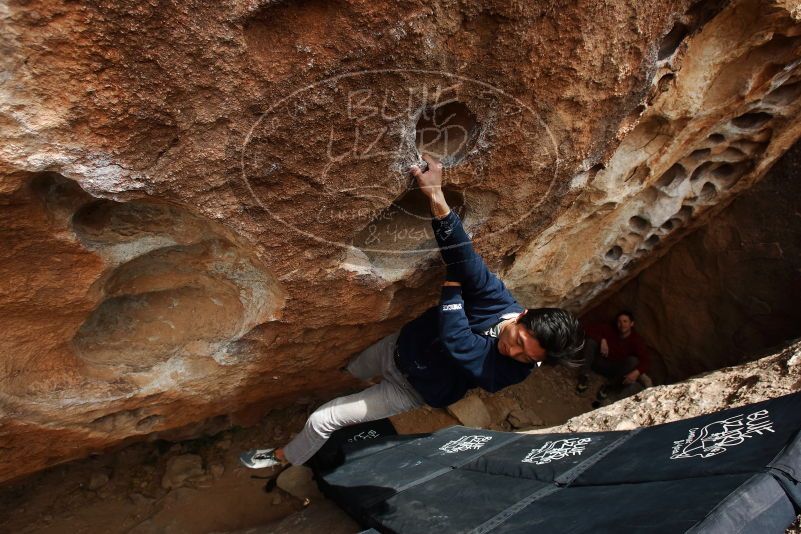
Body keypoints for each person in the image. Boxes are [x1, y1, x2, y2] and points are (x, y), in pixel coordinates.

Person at [240, 154, 585, 469]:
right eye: (519, 342)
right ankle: (339, 394)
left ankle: (283, 456)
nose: (514, 352)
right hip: (397, 347)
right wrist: (435, 195)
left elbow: (458, 341)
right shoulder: (497, 301)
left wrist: (452, 292)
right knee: (353, 368)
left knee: (322, 420)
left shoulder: (512, 371)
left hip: (410, 390)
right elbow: (463, 256)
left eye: (527, 357)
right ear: (522, 315)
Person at [576, 310, 652, 399]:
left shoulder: (636, 340)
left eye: (625, 321)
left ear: (631, 324)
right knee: (591, 342)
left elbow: (646, 360)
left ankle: (608, 386)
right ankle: (584, 376)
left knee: (633, 361)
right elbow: (586, 329)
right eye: (619, 321)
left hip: (615, 371)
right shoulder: (610, 329)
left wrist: (636, 372)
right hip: (599, 362)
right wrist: (601, 340)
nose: (622, 324)